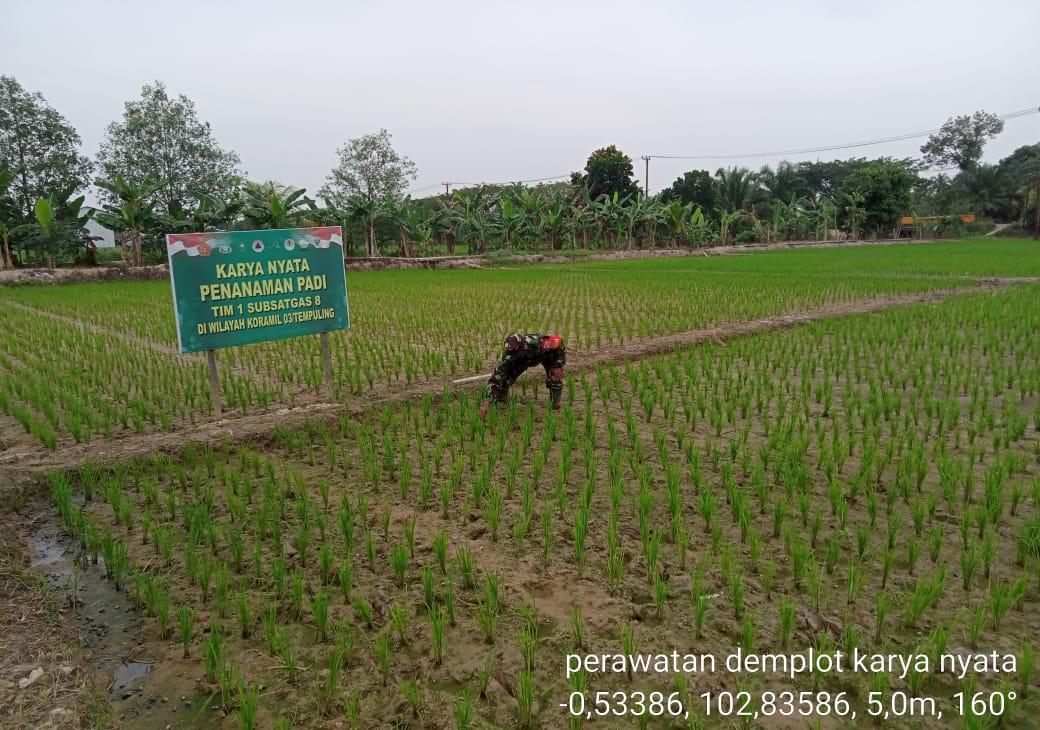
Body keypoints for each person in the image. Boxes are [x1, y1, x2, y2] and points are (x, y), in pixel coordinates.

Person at [479, 333, 566, 415]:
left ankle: (554, 405)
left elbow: (559, 342)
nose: (515, 355)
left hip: (546, 357)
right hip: (522, 363)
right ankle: (502, 399)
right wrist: (487, 400)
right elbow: (496, 378)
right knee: (504, 379)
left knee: (555, 376)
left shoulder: (538, 342)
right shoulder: (509, 357)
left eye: (517, 353)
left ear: (523, 347)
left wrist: (557, 365)